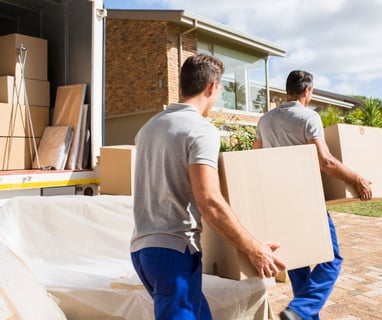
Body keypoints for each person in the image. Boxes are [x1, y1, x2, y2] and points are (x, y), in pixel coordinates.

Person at [130, 53, 286, 320]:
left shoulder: (148, 128)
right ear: (213, 87)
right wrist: (254, 248)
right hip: (174, 253)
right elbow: (209, 201)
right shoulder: (200, 130)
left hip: (143, 250)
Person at [252, 70, 372, 320]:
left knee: (298, 262)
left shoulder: (265, 120)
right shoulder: (308, 117)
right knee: (332, 258)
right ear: (308, 91)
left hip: (278, 200)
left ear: (287, 90)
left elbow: (255, 158)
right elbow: (325, 161)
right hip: (306, 200)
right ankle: (300, 309)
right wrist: (356, 179)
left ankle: (302, 314)